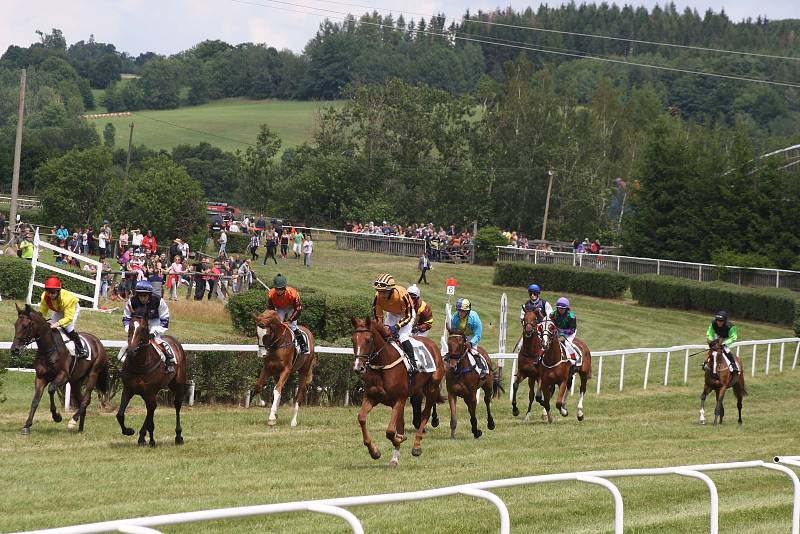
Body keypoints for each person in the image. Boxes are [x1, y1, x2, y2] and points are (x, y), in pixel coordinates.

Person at [122, 280, 174, 372]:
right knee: (129, 345)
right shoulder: (132, 301)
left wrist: (155, 331)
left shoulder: (158, 301)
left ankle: (169, 361)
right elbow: (126, 317)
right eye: (140, 296)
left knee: (157, 341)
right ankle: (122, 364)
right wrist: (129, 330)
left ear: (149, 295)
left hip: (154, 322)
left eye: (145, 296)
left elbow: (165, 318)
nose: (142, 298)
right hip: (138, 323)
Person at [373, 273, 418, 374]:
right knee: (384, 335)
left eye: (383, 292)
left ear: (391, 290)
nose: (380, 295)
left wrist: (397, 326)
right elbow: (378, 316)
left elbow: (408, 316)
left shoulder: (402, 295)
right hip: (392, 314)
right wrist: (381, 328)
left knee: (402, 336)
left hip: (407, 314)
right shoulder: (377, 297)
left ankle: (413, 363)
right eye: (379, 291)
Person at [38, 276, 88, 362]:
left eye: (52, 292)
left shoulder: (68, 299)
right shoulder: (44, 297)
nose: (50, 295)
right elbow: (42, 313)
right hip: (59, 309)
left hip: (72, 309)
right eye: (48, 292)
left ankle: (81, 349)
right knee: (49, 327)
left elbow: (68, 318)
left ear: (58, 291)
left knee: (68, 328)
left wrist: (57, 324)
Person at [267, 274, 308, 353]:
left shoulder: (293, 293)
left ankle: (303, 345)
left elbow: (298, 308)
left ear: (284, 287)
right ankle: (271, 344)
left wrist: (291, 319)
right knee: (277, 325)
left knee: (293, 326)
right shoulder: (271, 294)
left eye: (281, 289)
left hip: (291, 307)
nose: (279, 291)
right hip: (280, 308)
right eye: (277, 289)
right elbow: (270, 309)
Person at [449, 298, 487, 377]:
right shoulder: (455, 317)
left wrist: (470, 342)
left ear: (467, 311)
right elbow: (453, 332)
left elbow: (478, 335)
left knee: (473, 351)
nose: (460, 313)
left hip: (472, 336)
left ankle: (482, 369)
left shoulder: (474, 318)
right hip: (460, 336)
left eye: (462, 311)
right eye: (458, 310)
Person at [549, 297, 579, 371]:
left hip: (570, 332)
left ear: (566, 308)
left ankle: (574, 359)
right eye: (559, 308)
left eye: (563, 308)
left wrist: (563, 332)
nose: (561, 310)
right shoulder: (553, 313)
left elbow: (572, 329)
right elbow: (549, 321)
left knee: (567, 343)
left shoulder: (572, 315)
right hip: (558, 331)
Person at [706, 311, 739, 375]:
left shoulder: (731, 326)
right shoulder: (713, 323)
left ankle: (733, 364)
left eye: (721, 321)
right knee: (713, 350)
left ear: (725, 321)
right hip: (717, 336)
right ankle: (706, 363)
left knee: (726, 350)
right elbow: (709, 333)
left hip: (727, 338)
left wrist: (724, 343)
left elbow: (733, 337)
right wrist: (711, 341)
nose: (719, 322)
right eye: (718, 320)